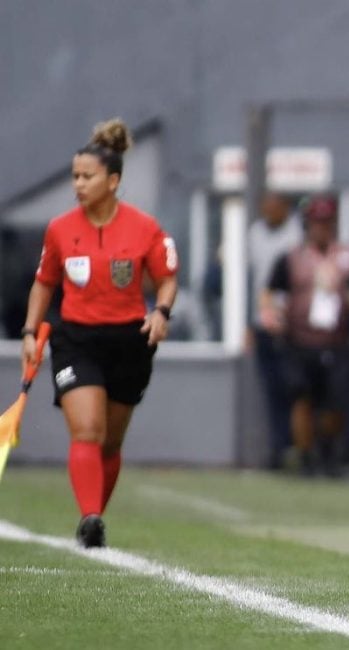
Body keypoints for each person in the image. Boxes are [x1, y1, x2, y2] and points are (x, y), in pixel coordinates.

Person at [20, 118, 178, 548]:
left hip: (129, 340)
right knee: (86, 430)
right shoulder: (60, 229)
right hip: (77, 339)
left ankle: (94, 519)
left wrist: (161, 312)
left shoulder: (145, 228)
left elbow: (166, 278)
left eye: (87, 177)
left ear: (113, 180)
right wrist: (31, 330)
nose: (78, 184)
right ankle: (89, 515)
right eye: (75, 176)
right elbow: (45, 281)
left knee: (109, 442)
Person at [262, 194, 349, 476]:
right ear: (308, 224)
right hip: (300, 341)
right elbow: (272, 291)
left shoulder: (348, 256)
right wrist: (272, 314)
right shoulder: (292, 257)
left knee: (334, 403)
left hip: (337, 340)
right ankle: (306, 456)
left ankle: (328, 450)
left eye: (327, 223)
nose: (322, 228)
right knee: (302, 399)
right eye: (316, 223)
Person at [248, 192, 303, 469]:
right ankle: (279, 447)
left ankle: (296, 447)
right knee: (272, 390)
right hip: (264, 322)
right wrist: (249, 322)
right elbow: (251, 281)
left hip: (292, 327)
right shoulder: (255, 234)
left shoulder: (296, 236)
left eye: (273, 206)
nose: (268, 211)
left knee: (293, 389)